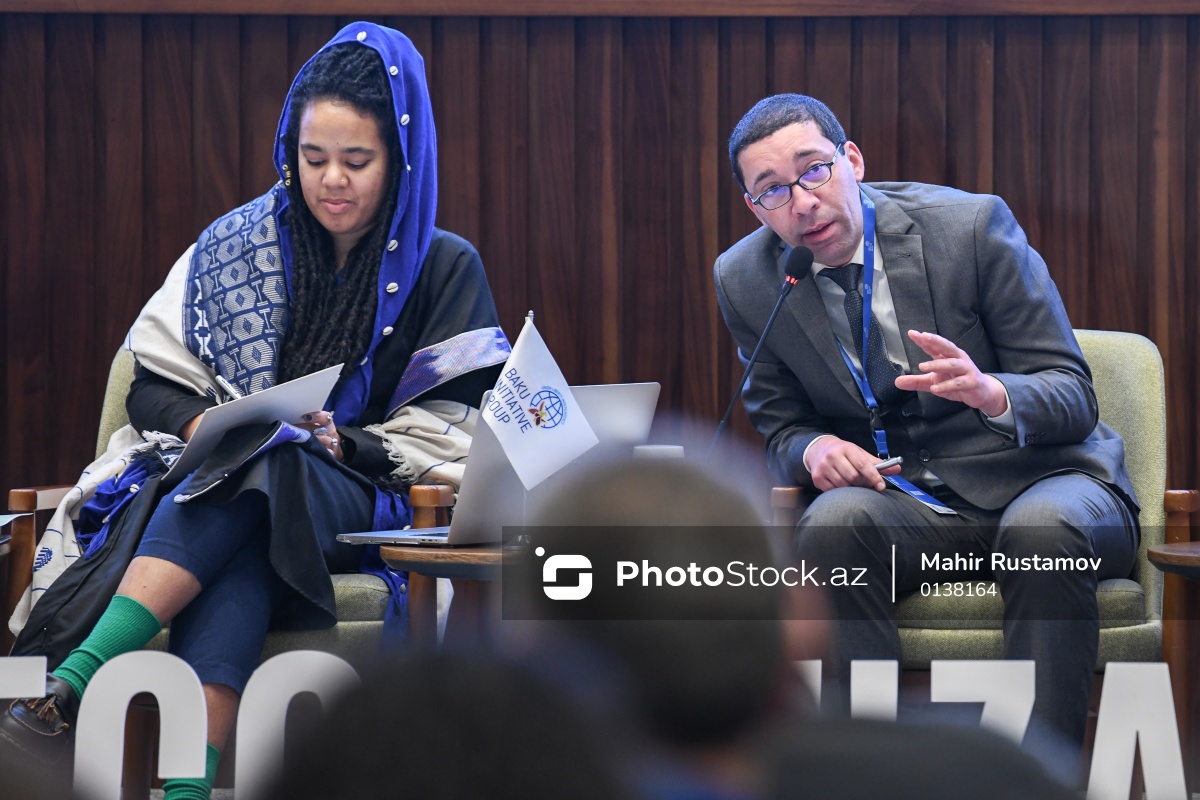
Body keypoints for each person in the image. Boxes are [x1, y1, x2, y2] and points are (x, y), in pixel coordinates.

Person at [0, 23, 509, 800]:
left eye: (357, 161)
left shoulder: (447, 266)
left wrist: (343, 445)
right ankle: (186, 789)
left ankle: (71, 681)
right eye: (313, 157)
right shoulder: (235, 246)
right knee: (251, 506)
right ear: (288, 150)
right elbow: (151, 384)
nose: (331, 180)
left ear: (402, 160)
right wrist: (209, 427)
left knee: (268, 465)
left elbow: (455, 430)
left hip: (364, 499)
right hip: (237, 493)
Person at [712, 94, 1139, 757]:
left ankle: (1040, 778)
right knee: (831, 526)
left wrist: (992, 392)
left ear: (852, 161)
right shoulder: (746, 279)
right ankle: (871, 773)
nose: (802, 202)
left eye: (814, 170)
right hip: (909, 505)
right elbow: (782, 430)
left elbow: (1072, 394)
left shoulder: (969, 228)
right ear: (754, 206)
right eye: (773, 190)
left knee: (1041, 532)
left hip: (1045, 482)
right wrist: (816, 449)